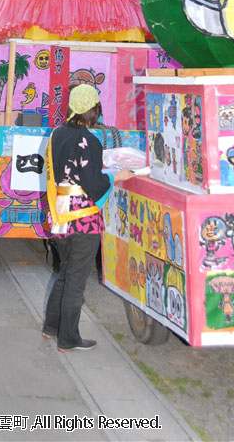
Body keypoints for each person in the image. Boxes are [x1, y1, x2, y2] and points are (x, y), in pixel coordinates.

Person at [42, 84, 140, 351]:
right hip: (84, 218)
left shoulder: (57, 134)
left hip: (61, 213)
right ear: (92, 110)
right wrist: (116, 176)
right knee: (76, 279)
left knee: (64, 272)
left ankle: (52, 327)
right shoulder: (89, 140)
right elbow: (94, 184)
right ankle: (68, 338)